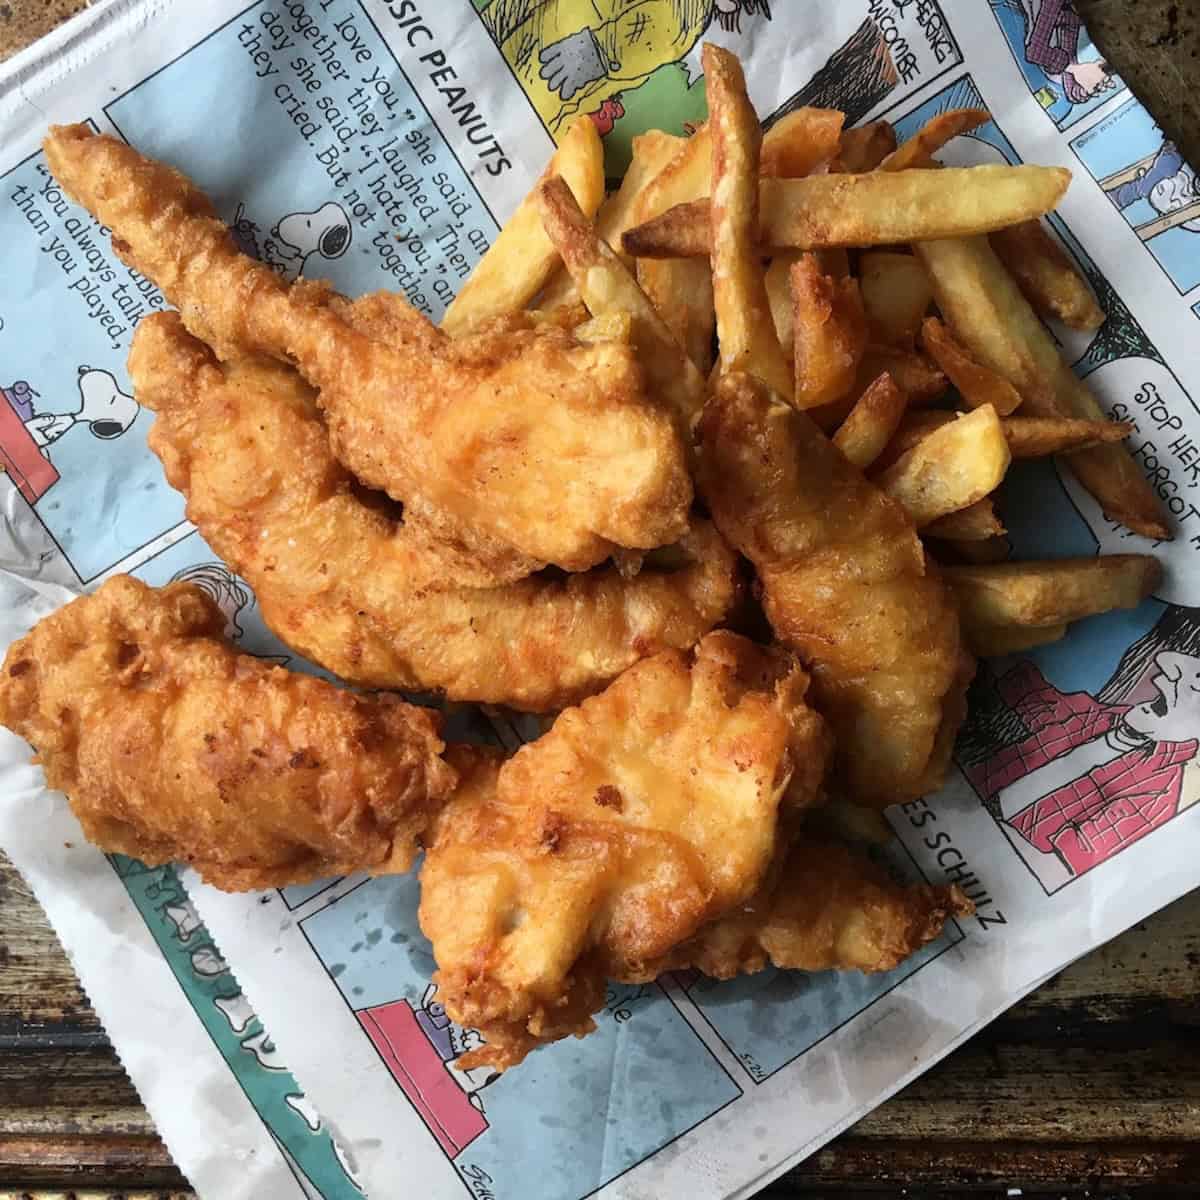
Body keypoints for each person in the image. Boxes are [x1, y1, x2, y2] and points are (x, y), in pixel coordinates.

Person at [963, 649, 1200, 884]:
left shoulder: (1158, 789)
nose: (1147, 705)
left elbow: (1074, 860)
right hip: (974, 794)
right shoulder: (1105, 717)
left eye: (1161, 706)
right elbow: (1044, 705)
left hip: (1002, 845)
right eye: (1155, 699)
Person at [482, 0, 771, 134]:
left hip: (565, 67)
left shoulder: (689, 10)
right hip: (527, 35)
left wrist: (598, 50)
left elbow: (655, 30)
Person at [1013, 0, 1116, 105]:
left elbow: (1068, 46)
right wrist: (1076, 69)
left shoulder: (1074, 17)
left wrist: (1083, 89)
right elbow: (1035, 53)